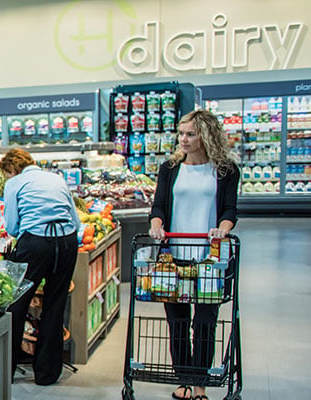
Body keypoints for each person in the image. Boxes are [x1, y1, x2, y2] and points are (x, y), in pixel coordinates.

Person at [147, 109, 239, 400]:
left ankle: (199, 383)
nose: (183, 139)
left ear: (206, 136)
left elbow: (229, 210)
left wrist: (223, 229)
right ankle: (184, 379)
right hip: (173, 257)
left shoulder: (225, 170)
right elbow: (159, 205)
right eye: (181, 133)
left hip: (210, 258)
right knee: (177, 321)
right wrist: (156, 225)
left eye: (190, 134)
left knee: (205, 322)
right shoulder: (170, 168)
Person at [0, 148, 81, 385]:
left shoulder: (14, 183)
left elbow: (13, 227)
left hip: (35, 242)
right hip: (66, 241)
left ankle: (7, 370)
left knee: (15, 304)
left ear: (12, 169)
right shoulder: (56, 178)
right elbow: (75, 220)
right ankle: (47, 374)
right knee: (55, 305)